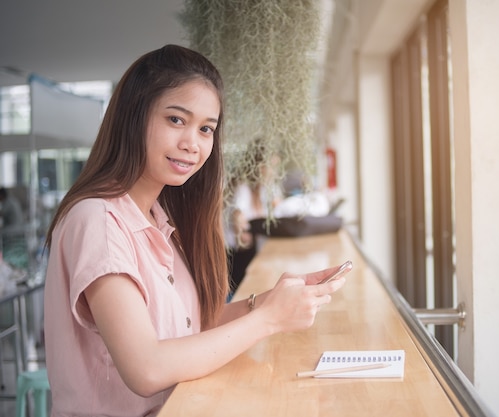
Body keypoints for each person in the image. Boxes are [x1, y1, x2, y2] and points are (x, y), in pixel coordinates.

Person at [43, 44, 348, 417]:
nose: (192, 144)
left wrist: (266, 302)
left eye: (206, 129)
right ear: (133, 117)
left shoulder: (158, 219)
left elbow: (185, 329)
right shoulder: (98, 221)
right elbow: (146, 367)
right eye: (176, 120)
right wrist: (268, 321)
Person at [225, 137, 283, 293]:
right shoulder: (243, 188)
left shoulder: (265, 189)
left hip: (255, 254)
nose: (273, 172)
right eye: (269, 166)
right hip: (238, 259)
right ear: (257, 166)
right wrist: (242, 229)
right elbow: (238, 217)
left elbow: (278, 210)